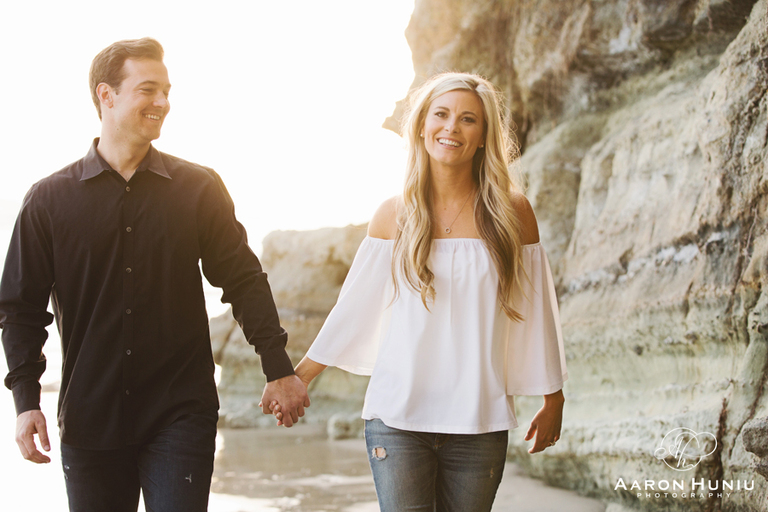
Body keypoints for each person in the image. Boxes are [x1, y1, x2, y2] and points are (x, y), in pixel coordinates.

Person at [0, 37, 309, 512]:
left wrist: (278, 366)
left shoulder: (198, 188)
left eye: (166, 90)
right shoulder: (47, 201)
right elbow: (20, 311)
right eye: (148, 90)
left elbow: (242, 279)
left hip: (180, 411)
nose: (163, 103)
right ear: (106, 95)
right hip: (90, 419)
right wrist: (25, 402)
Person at [272, 72, 568, 511]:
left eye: (468, 119)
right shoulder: (393, 215)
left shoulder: (512, 213)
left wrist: (553, 396)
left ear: (484, 135)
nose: (451, 128)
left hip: (478, 420)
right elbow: (354, 310)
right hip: (398, 419)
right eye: (441, 114)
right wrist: (299, 377)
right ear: (422, 126)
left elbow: (537, 308)